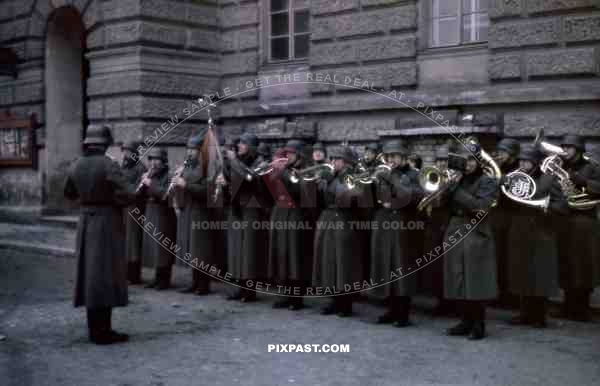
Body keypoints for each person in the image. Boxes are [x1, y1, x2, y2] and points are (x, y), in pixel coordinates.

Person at [64, 125, 135, 344]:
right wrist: (113, 201)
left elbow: (68, 193)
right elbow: (129, 194)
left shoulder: (75, 164)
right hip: (107, 222)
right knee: (105, 274)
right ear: (104, 143)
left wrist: (87, 200)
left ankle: (94, 329)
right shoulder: (108, 165)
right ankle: (103, 331)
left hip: (86, 221)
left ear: (87, 143)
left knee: (90, 275)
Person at [444, 142, 499, 340]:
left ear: (477, 161)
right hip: (455, 228)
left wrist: (456, 190)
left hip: (476, 231)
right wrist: (445, 189)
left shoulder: (487, 181)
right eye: (463, 160)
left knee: (475, 280)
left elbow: (481, 206)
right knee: (458, 278)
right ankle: (465, 321)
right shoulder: (458, 179)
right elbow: (442, 205)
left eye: (470, 160)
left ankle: (479, 324)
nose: (467, 165)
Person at [505, 146, 563, 328]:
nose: (522, 164)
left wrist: (547, 209)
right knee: (522, 272)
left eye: (526, 161)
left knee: (540, 274)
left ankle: (539, 315)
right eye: (521, 160)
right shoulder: (516, 178)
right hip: (520, 230)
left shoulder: (547, 179)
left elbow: (562, 205)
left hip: (541, 231)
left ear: (535, 163)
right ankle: (524, 313)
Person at [370, 140, 423, 327]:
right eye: (388, 156)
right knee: (387, 266)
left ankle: (403, 313)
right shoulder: (383, 173)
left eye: (394, 156)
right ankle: (391, 310)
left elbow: (413, 197)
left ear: (403, 157)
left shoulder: (414, 174)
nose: (391, 159)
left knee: (402, 269)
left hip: (403, 226)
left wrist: (391, 180)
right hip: (384, 224)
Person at [218, 132, 272, 302]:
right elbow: (236, 183)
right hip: (238, 210)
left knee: (250, 252)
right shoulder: (238, 163)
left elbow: (250, 178)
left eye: (243, 143)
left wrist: (233, 161)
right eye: (239, 143)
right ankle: (241, 288)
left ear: (251, 147)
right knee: (239, 252)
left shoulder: (262, 164)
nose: (239, 146)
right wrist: (225, 184)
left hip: (253, 211)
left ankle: (250, 291)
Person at [552, 134, 600, 321]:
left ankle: (582, 308)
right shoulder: (559, 165)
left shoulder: (592, 167)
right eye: (563, 146)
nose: (565, 150)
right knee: (566, 264)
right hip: (564, 219)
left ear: (579, 150)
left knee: (584, 265)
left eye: (569, 147)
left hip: (584, 221)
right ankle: (568, 306)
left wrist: (580, 180)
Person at [312, 146, 365, 317]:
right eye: (332, 159)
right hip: (328, 219)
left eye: (337, 159)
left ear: (347, 162)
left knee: (343, 263)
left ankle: (345, 303)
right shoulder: (331, 175)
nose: (333, 162)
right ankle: (334, 300)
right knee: (329, 261)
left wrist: (332, 182)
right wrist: (318, 183)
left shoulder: (351, 176)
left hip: (344, 220)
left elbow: (350, 195)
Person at [267, 140, 314, 310]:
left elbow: (299, 191)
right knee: (282, 256)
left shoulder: (306, 171)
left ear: (299, 156)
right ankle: (283, 295)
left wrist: (283, 172)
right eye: (286, 153)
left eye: (291, 154)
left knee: (295, 259)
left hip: (296, 217)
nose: (287, 156)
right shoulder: (283, 170)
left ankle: (296, 298)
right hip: (280, 215)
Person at [174, 131, 219, 295]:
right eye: (188, 149)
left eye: (193, 149)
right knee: (192, 249)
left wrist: (186, 184)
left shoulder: (208, 167)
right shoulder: (188, 165)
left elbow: (207, 191)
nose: (189, 152)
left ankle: (203, 284)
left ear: (201, 150)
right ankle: (194, 282)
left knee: (201, 249)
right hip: (189, 209)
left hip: (201, 212)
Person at [420, 145, 455, 316]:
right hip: (433, 224)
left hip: (448, 223)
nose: (442, 164)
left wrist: (448, 188)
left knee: (449, 265)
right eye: (439, 161)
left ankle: (451, 303)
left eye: (445, 161)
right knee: (435, 266)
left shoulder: (454, 178)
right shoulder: (432, 176)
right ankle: (440, 301)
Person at [139, 148, 177, 290]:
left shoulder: (169, 176)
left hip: (164, 215)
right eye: (152, 160)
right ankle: (157, 278)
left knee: (163, 249)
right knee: (154, 248)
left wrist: (150, 184)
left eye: (157, 160)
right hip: (152, 213)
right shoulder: (151, 175)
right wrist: (142, 183)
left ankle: (164, 280)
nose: (153, 163)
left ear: (164, 162)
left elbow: (165, 194)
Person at [491, 138, 521, 307]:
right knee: (498, 256)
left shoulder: (519, 168)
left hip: (513, 216)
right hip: (498, 216)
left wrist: (503, 180)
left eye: (503, 152)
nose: (499, 155)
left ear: (512, 153)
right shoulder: (497, 166)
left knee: (511, 258)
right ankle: (500, 293)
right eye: (499, 151)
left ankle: (511, 296)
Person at [120, 140, 147, 284]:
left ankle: (134, 275)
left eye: (129, 151)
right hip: (123, 209)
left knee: (134, 243)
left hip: (135, 209)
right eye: (124, 151)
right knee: (125, 242)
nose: (125, 154)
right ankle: (124, 272)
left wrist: (125, 189)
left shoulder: (141, 168)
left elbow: (139, 189)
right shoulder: (123, 166)